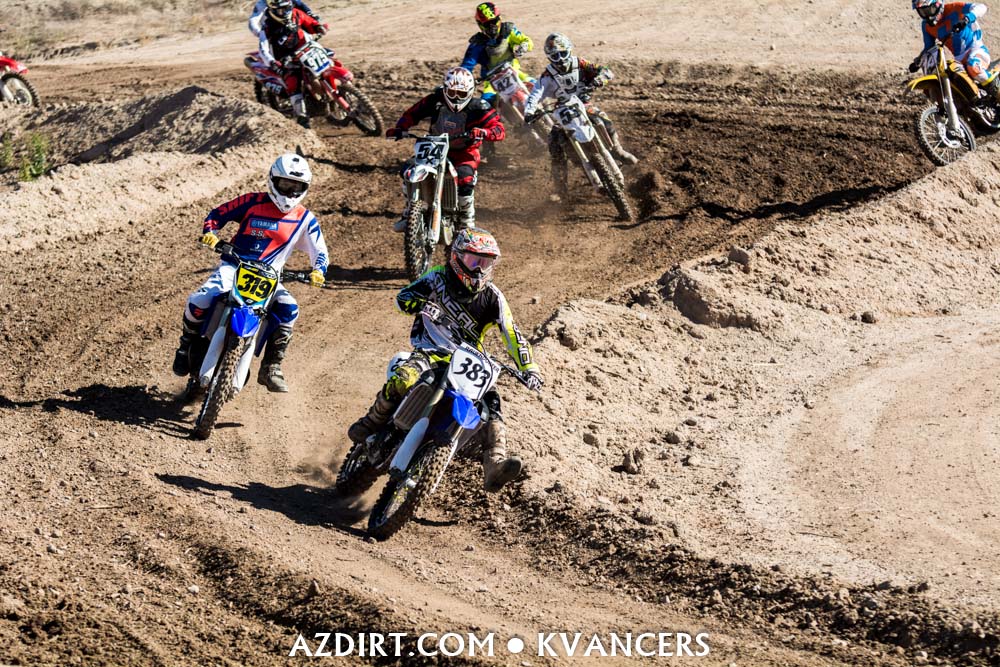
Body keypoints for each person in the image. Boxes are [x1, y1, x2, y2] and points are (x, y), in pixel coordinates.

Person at [347, 228, 542, 493]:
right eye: (474, 261)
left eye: (485, 263)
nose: (479, 269)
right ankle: (372, 420)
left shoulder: (493, 297)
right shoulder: (437, 277)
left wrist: (529, 368)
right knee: (405, 377)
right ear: (457, 257)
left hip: (467, 361)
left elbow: (512, 334)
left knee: (492, 405)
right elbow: (403, 298)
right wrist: (420, 304)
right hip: (431, 351)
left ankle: (495, 463)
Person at [171, 154, 328, 393]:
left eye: (297, 187)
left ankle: (271, 366)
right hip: (234, 267)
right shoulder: (251, 201)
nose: (290, 192)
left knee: (290, 309)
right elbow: (217, 214)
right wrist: (210, 233)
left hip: (270, 277)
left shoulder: (305, 218)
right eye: (286, 184)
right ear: (273, 180)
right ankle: (185, 346)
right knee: (199, 299)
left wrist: (319, 271)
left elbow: (320, 251)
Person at [386, 67, 505, 231]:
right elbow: (412, 113)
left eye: (461, 94)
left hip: (464, 152)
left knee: (465, 179)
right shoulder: (435, 100)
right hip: (434, 146)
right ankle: (408, 213)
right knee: (408, 170)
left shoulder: (479, 107)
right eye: (452, 92)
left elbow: (498, 128)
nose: (456, 97)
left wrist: (484, 132)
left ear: (470, 92)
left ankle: (467, 220)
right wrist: (401, 128)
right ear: (445, 89)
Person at [524, 33, 638, 196]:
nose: (560, 59)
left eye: (563, 54)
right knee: (554, 143)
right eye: (555, 56)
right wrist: (529, 111)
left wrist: (599, 79)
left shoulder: (580, 63)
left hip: (583, 104)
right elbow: (535, 94)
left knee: (603, 118)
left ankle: (618, 150)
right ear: (549, 57)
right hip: (562, 110)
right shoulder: (547, 76)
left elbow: (606, 71)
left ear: (569, 50)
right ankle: (561, 189)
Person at [257, 0, 328, 128]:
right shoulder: (268, 26)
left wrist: (318, 27)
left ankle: (342, 87)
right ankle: (302, 118)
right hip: (286, 60)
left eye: (286, 8)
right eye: (280, 10)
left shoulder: (296, 13)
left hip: (306, 50)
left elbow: (309, 22)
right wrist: (272, 62)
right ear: (272, 11)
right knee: (293, 83)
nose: (284, 12)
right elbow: (263, 49)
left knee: (330, 56)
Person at [912, 1, 1000, 103]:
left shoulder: (954, 8)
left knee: (973, 67)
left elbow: (982, 7)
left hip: (976, 49)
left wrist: (967, 18)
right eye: (922, 12)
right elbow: (928, 48)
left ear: (937, 5)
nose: (927, 15)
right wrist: (918, 61)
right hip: (959, 59)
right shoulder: (926, 26)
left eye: (929, 10)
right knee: (954, 81)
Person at [459, 2, 535, 107]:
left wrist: (524, 46)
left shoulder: (508, 31)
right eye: (487, 24)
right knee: (485, 105)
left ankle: (551, 109)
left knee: (537, 85)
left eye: (493, 21)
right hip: (491, 81)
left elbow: (527, 40)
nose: (492, 27)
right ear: (480, 25)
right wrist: (464, 80)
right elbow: (466, 66)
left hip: (514, 72)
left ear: (499, 18)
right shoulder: (477, 44)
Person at [248, 0, 320, 38]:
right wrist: (260, 34)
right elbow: (253, 21)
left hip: (292, 25)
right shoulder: (261, 3)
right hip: (273, 31)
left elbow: (300, 4)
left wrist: (310, 14)